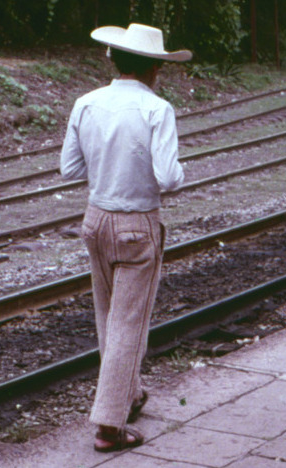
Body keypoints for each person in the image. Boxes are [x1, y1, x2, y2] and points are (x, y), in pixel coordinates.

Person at [59, 23, 191, 453]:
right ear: (155, 68)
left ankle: (129, 394)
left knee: (107, 317)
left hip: (96, 220)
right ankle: (110, 426)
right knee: (129, 325)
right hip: (137, 224)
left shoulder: (86, 102)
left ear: (114, 60)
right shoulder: (158, 110)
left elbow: (70, 169)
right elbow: (169, 177)